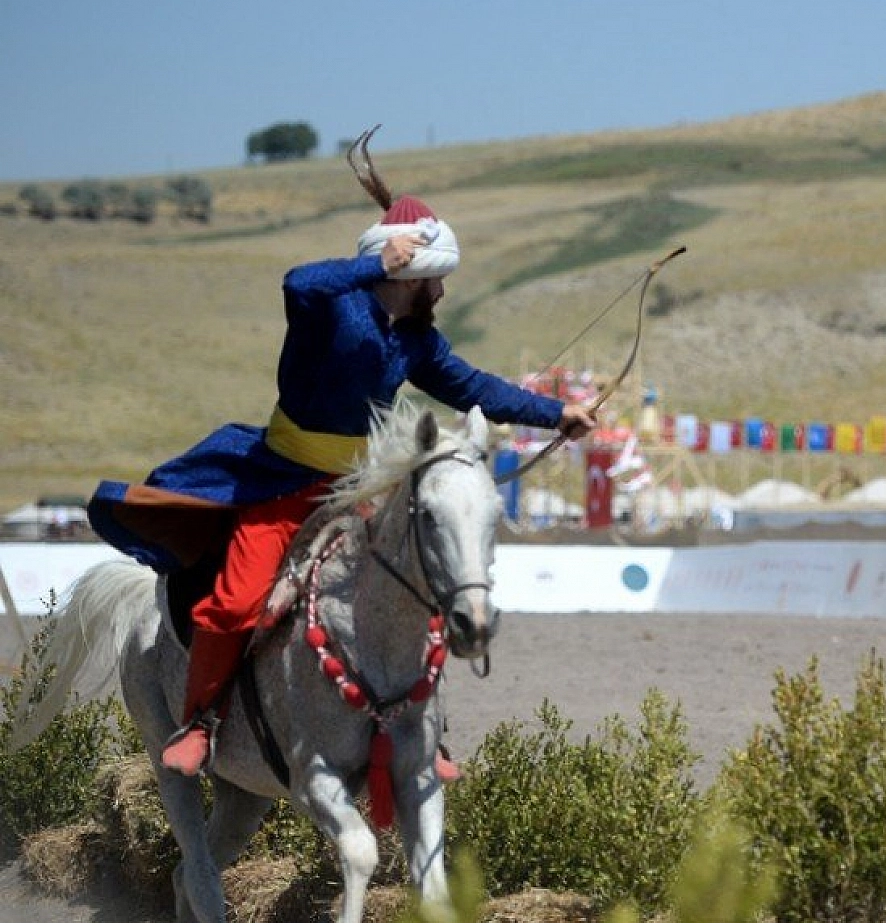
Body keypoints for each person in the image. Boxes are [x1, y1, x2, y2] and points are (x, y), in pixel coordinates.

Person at [88, 192, 596, 777]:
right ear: (412, 275)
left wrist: (557, 414)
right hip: (282, 483)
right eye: (436, 279)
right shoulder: (331, 308)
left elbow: (476, 388)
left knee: (419, 590)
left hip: (358, 488)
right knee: (234, 602)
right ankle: (200, 723)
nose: (441, 292)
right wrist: (375, 264)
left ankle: (426, 733)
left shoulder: (416, 340)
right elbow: (297, 282)